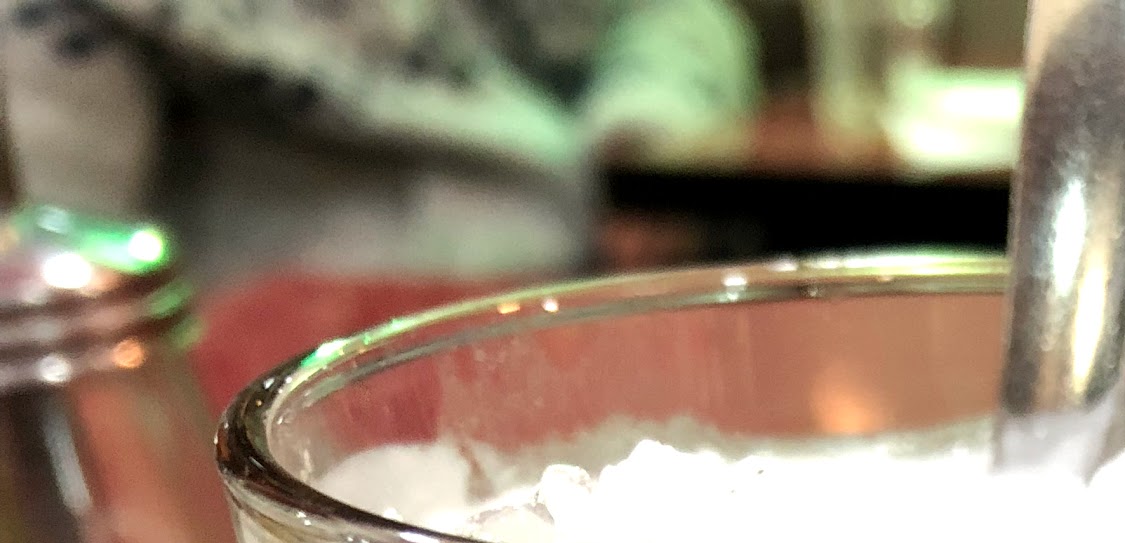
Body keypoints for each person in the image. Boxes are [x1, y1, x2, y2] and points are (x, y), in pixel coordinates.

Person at [0, 0, 759, 280]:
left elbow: (679, 16)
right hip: (269, 364)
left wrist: (644, 135)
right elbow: (43, 255)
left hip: (581, 277)